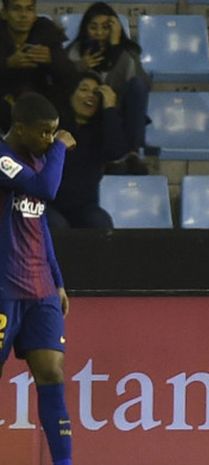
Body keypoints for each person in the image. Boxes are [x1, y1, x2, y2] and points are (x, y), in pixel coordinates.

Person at [0, 92, 76, 465]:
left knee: (51, 372)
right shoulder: (2, 158)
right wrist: (61, 147)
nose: (50, 140)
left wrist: (57, 279)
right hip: (3, 288)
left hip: (40, 287)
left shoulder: (36, 161)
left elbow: (39, 221)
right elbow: (47, 189)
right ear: (20, 128)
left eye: (55, 134)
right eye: (45, 133)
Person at [65, 2, 150, 162]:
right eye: (93, 27)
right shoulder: (75, 51)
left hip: (115, 112)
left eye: (105, 27)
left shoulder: (127, 51)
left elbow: (142, 84)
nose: (99, 33)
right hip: (85, 112)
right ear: (85, 28)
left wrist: (116, 48)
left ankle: (132, 153)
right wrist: (79, 67)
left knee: (137, 86)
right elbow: (63, 84)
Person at [47, 72, 129, 228]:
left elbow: (116, 151)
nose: (90, 96)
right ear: (71, 94)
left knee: (101, 223)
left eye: (96, 93)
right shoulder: (53, 127)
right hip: (49, 204)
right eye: (84, 90)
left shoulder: (102, 131)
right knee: (58, 225)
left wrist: (110, 108)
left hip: (84, 207)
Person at [0, 0, 78, 133]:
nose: (23, 15)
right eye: (17, 9)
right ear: (4, 13)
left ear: (35, 13)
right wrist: (7, 63)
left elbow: (70, 75)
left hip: (40, 100)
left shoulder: (46, 31)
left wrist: (52, 60)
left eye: (29, 9)